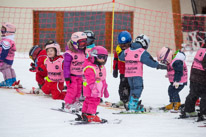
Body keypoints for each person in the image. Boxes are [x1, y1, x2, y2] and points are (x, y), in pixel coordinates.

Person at [118, 34, 167, 112]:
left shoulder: (127, 50)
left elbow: (120, 56)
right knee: (138, 88)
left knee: (132, 89)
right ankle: (133, 104)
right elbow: (150, 62)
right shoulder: (141, 52)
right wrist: (161, 66)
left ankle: (131, 104)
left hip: (128, 74)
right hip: (137, 74)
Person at [81, 46, 109, 122]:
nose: (102, 59)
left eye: (104, 57)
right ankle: (91, 115)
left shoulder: (101, 67)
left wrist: (105, 90)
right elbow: (90, 81)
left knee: (89, 101)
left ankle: (85, 113)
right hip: (92, 90)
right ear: (93, 57)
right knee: (93, 101)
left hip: (97, 89)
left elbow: (103, 80)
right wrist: (94, 90)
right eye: (100, 57)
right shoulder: (90, 67)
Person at [180, 43, 206, 120]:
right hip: (202, 78)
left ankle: (189, 110)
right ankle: (204, 113)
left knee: (193, 94)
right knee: (205, 96)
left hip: (194, 77)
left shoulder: (201, 50)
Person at [64, 32, 87, 112]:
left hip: (80, 76)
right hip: (72, 76)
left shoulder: (83, 52)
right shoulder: (69, 53)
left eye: (85, 42)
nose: (83, 45)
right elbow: (66, 66)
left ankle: (75, 102)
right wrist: (67, 77)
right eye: (81, 43)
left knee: (78, 91)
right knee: (72, 91)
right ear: (75, 43)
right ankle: (67, 104)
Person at [113, 31, 131, 108]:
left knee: (131, 86)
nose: (123, 46)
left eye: (125, 45)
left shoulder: (132, 49)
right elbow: (116, 60)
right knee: (122, 86)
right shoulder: (117, 49)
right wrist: (115, 69)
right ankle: (123, 100)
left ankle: (130, 100)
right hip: (123, 72)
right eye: (121, 44)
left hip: (132, 72)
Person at [0, 22, 20, 88]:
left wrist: (1, 59)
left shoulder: (6, 41)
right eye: (1, 30)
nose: (1, 31)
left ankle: (8, 81)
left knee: (4, 69)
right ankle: (13, 80)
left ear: (8, 31)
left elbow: (4, 51)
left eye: (3, 30)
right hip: (10, 59)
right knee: (9, 68)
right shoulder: (10, 40)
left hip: (5, 59)